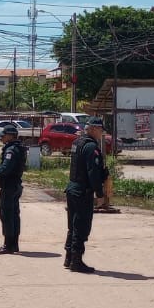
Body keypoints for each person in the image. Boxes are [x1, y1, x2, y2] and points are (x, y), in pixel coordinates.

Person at [63, 117, 107, 273]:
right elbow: (92, 172)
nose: (101, 133)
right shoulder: (90, 147)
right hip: (82, 191)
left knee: (72, 226)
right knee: (81, 227)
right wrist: (100, 193)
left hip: (72, 188)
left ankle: (69, 257)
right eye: (100, 130)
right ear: (94, 128)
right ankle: (76, 261)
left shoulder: (77, 143)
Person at [0, 123, 27, 254]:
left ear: (11, 136)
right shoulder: (18, 148)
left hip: (9, 186)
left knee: (6, 215)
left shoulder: (11, 150)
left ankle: (8, 244)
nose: (2, 138)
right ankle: (14, 244)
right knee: (14, 215)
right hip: (15, 185)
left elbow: (5, 168)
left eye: (4, 136)